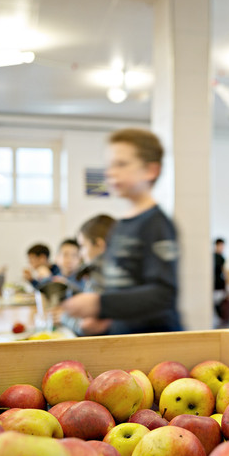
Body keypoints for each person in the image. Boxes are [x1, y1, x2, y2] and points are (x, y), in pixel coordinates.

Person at [61, 128, 182, 334]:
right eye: (109, 165)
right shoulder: (120, 225)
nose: (111, 172)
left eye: (121, 164)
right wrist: (104, 319)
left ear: (151, 170)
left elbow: (162, 294)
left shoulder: (156, 224)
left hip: (155, 340)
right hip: (123, 335)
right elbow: (122, 289)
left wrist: (100, 304)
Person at [60, 214, 116, 336]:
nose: (81, 254)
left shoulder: (99, 270)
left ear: (99, 245)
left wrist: (63, 317)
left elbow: (87, 325)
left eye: (83, 246)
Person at [212, 238, 229, 325]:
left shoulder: (221, 257)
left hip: (219, 285)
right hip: (216, 285)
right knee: (217, 304)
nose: (222, 248)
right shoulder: (215, 257)